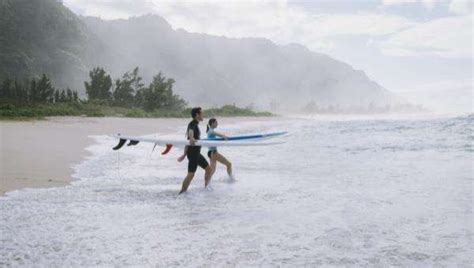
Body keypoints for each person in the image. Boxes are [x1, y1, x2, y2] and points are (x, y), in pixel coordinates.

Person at [179, 107, 213, 194]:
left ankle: (206, 188)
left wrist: (184, 154)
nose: (203, 115)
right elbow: (190, 133)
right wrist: (191, 138)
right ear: (197, 115)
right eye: (202, 113)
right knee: (191, 174)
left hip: (196, 153)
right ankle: (182, 192)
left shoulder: (196, 124)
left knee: (208, 169)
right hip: (193, 154)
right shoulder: (192, 124)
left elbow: (188, 141)